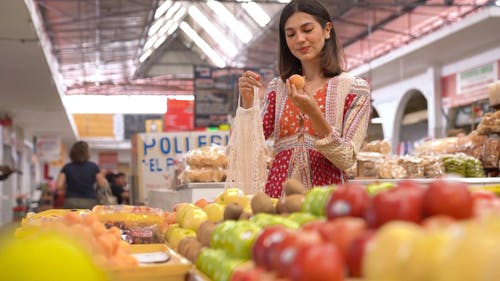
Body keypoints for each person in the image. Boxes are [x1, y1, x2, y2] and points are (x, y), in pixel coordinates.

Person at [237, 0, 371, 198]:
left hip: (327, 201)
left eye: (307, 29)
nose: (299, 39)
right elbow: (246, 149)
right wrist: (248, 105)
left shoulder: (354, 89)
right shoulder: (279, 88)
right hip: (277, 199)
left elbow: (346, 158)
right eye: (291, 34)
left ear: (327, 30)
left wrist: (313, 113)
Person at [56, 141, 108, 209]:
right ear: (87, 153)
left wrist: (69, 186)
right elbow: (102, 184)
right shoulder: (93, 166)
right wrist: (102, 175)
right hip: (89, 201)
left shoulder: (67, 167)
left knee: (70, 219)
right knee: (89, 219)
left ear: (73, 152)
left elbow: (59, 186)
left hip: (71, 201)